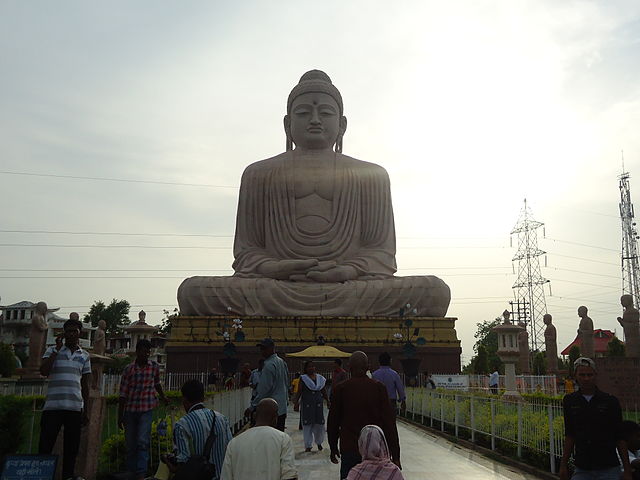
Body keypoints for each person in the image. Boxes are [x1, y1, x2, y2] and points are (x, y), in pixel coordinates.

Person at [177, 69, 451, 318]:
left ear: (342, 124)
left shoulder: (372, 176)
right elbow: (247, 253)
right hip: (277, 286)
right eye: (304, 113)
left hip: (351, 286)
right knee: (193, 291)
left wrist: (348, 270)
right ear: (287, 124)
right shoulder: (258, 174)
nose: (316, 120)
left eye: (326, 114)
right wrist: (276, 268)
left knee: (434, 291)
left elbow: (381, 253)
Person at [328, 351, 401, 479]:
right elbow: (389, 423)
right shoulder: (379, 388)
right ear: (368, 367)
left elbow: (333, 422)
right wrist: (396, 455)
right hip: (375, 450)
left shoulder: (341, 389)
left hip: (350, 447)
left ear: (349, 368)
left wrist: (333, 447)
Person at [559, 357, 632, 480]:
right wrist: (563, 465)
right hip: (583, 467)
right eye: (582, 375)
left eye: (589, 374)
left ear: (595, 375)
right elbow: (570, 434)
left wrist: (627, 470)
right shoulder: (570, 401)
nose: (586, 378)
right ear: (575, 375)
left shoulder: (610, 401)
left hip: (608, 467)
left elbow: (619, 437)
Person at [39, 317, 91, 480]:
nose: (71, 334)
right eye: (68, 331)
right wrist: (56, 350)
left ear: (79, 333)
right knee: (46, 444)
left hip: (74, 407)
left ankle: (68, 476)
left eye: (74, 331)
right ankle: (41, 474)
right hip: (53, 407)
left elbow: (85, 385)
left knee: (72, 446)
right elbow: (44, 371)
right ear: (64, 333)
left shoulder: (84, 356)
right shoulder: (52, 351)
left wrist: (86, 409)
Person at [118, 339, 169, 480]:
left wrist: (163, 397)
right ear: (137, 351)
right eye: (144, 351)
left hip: (146, 408)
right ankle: (130, 471)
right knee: (130, 443)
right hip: (130, 409)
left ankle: (141, 472)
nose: (146, 354)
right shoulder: (129, 369)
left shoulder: (153, 367)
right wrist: (119, 415)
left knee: (142, 441)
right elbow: (122, 393)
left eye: (148, 352)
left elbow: (157, 384)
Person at [163, 379, 233, 480]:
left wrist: (167, 461)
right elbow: (230, 449)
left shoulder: (182, 425)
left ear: (184, 400)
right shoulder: (221, 418)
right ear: (203, 398)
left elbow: (182, 463)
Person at [221, 398, 297, 480]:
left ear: (254, 416)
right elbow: (289, 475)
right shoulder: (283, 439)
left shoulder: (234, 443)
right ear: (275, 418)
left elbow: (226, 476)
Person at [245, 338, 289, 431]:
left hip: (270, 410)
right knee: (279, 438)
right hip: (281, 408)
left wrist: (252, 406)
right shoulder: (281, 362)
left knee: (269, 440)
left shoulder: (269, 365)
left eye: (264, 348)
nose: (262, 351)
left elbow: (264, 390)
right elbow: (286, 383)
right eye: (261, 349)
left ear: (272, 348)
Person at [293, 361, 330, 452]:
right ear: (305, 369)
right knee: (307, 424)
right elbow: (299, 391)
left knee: (319, 424)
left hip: (318, 405)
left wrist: (328, 400)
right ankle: (308, 445)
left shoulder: (320, 379)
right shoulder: (303, 378)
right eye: (309, 367)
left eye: (313, 366)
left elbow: (323, 391)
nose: (311, 368)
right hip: (307, 405)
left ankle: (319, 442)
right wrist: (296, 403)